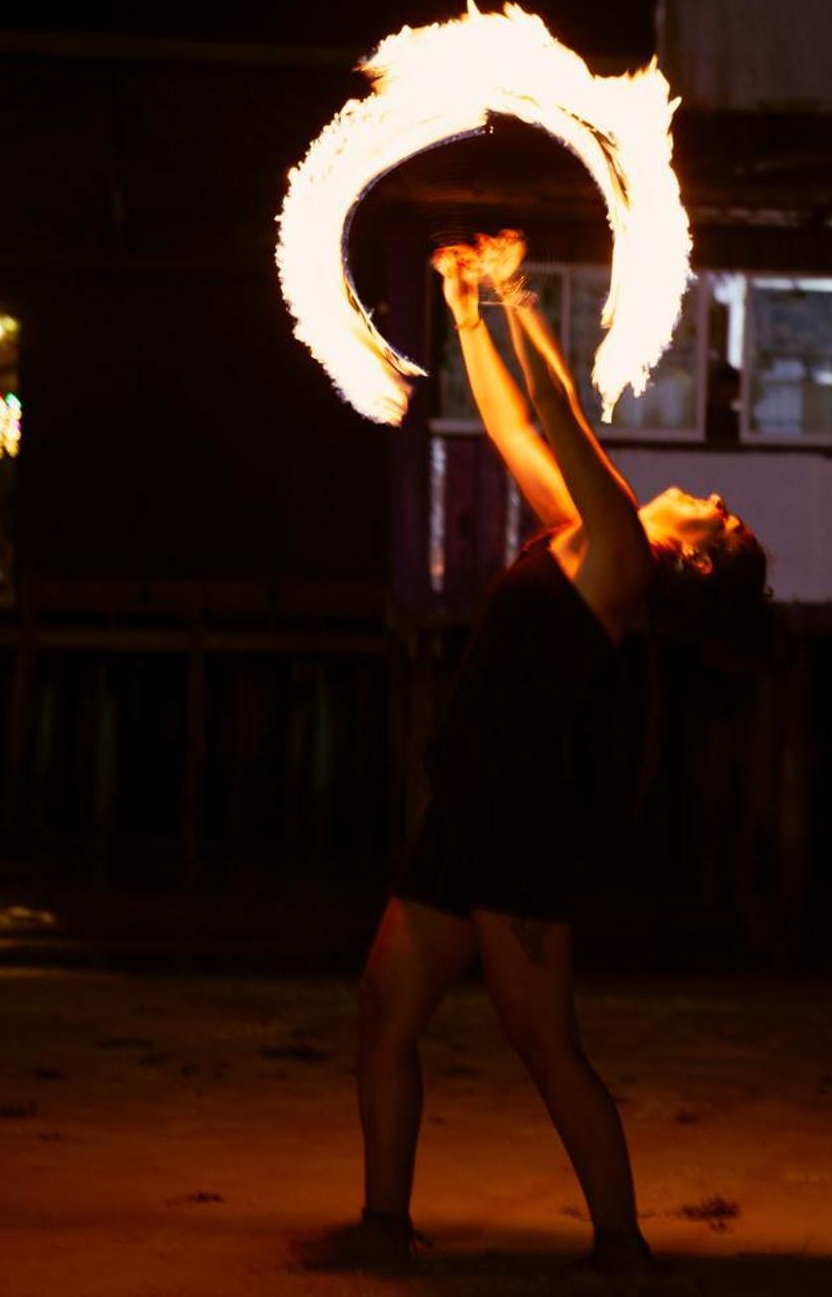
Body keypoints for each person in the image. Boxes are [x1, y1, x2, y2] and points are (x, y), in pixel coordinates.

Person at [296, 231, 767, 1274]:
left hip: (516, 828)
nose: (714, 502)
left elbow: (558, 410)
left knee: (544, 1043)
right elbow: (513, 427)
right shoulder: (583, 536)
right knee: (383, 1014)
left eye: (721, 525)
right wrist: (466, 311)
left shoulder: (620, 559)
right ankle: (383, 1223)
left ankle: (618, 1243)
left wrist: (515, 296)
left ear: (688, 559)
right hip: (465, 811)